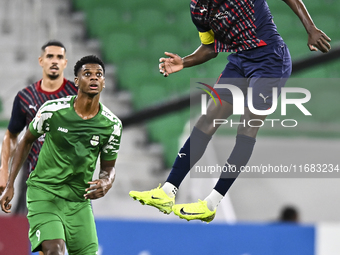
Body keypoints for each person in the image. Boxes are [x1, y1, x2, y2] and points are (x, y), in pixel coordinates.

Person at [129, 0, 331, 223]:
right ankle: (167, 191)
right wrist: (183, 63)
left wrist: (310, 28)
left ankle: (211, 204)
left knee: (246, 130)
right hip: (240, 61)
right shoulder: (198, 10)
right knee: (206, 121)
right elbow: (210, 48)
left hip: (270, 60)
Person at [0, 55, 123, 254]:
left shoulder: (112, 125)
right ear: (76, 81)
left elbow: (108, 168)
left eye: (98, 75)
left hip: (78, 201)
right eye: (87, 74)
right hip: (45, 192)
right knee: (54, 250)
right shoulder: (53, 111)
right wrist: (11, 184)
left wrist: (106, 181)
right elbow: (26, 140)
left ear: (104, 82)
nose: (93, 78)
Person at [0, 40, 78, 215]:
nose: (54, 61)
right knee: (47, 242)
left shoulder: (78, 96)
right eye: (50, 56)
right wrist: (4, 169)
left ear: (65, 63)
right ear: (41, 61)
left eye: (59, 57)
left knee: (77, 242)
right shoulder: (25, 97)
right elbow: (12, 135)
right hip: (37, 185)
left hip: (72, 186)